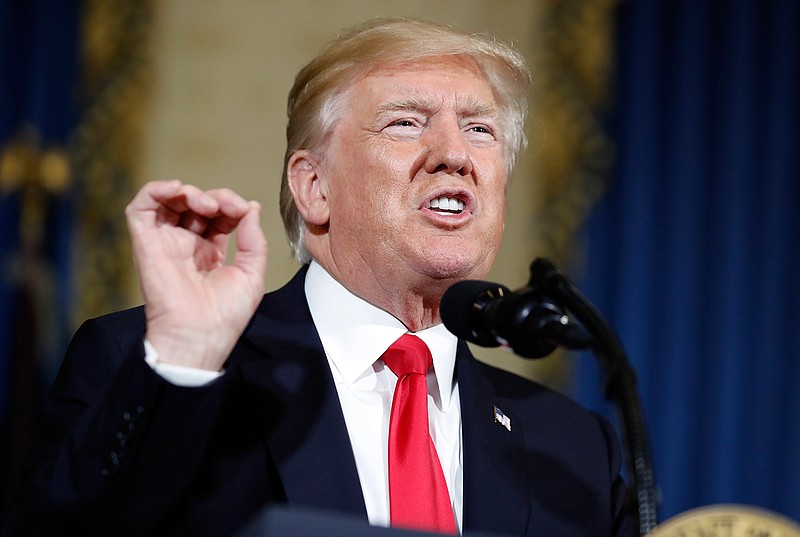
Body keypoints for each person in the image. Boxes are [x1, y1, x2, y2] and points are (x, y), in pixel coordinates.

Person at [2, 17, 633, 537]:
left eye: (480, 130)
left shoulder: (574, 448)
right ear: (314, 187)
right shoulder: (163, 371)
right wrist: (185, 358)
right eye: (406, 122)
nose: (455, 154)